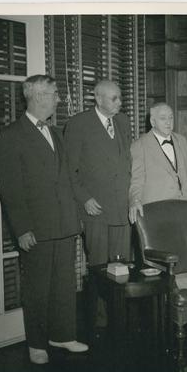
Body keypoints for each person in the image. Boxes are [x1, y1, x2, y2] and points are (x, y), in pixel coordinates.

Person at [0, 75, 88, 365]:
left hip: (64, 224)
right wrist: (22, 229)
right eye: (53, 94)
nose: (58, 99)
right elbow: (9, 189)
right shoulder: (11, 135)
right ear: (36, 96)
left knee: (64, 283)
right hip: (36, 228)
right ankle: (36, 343)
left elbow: (67, 180)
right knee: (37, 288)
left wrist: (76, 217)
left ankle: (62, 334)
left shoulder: (56, 132)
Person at [65, 80, 132, 267]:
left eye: (120, 97)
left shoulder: (123, 121)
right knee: (100, 268)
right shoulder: (78, 123)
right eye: (114, 98)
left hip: (122, 209)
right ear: (98, 98)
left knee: (122, 268)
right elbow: (69, 169)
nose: (120, 102)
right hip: (97, 209)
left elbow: (127, 162)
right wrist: (84, 198)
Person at [128, 102, 187, 224]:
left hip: (184, 209)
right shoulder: (139, 145)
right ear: (152, 122)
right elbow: (136, 181)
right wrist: (135, 201)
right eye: (163, 118)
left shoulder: (182, 140)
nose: (168, 122)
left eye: (171, 117)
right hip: (156, 212)